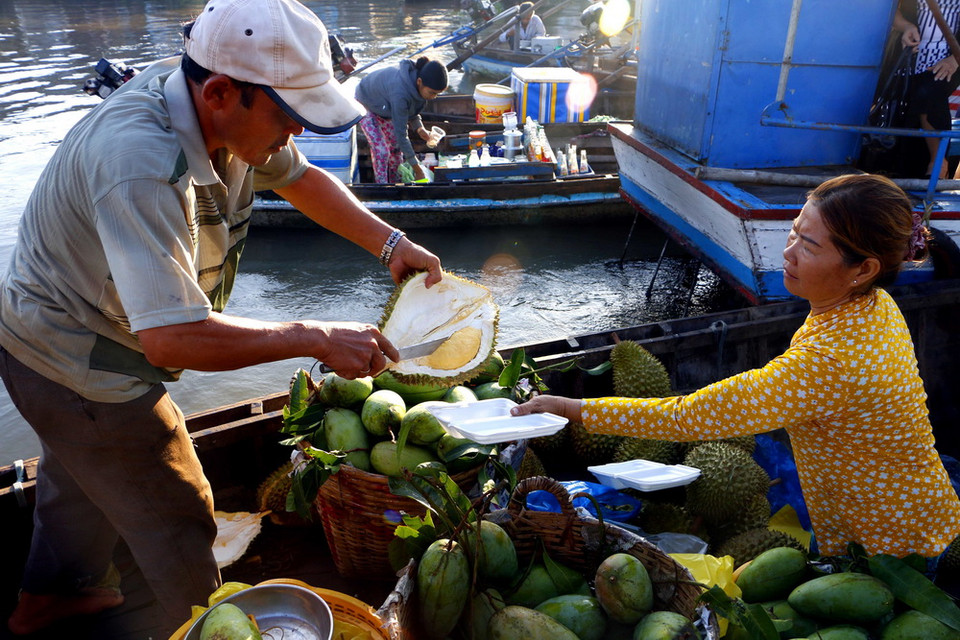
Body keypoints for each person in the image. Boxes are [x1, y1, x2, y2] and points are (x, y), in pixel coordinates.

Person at [0, 0, 442, 636]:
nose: (294, 134)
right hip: (75, 355)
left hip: (58, 336)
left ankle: (49, 600)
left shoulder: (227, 111)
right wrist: (314, 336)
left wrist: (391, 245)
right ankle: (204, 624)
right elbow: (171, 337)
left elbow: (301, 178)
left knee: (78, 476)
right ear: (220, 92)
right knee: (179, 512)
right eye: (289, 118)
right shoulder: (140, 164)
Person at [513, 174, 960, 565]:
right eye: (793, 233)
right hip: (922, 515)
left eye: (808, 245)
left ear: (863, 268)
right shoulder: (874, 305)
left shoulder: (830, 362)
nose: (788, 252)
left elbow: (687, 417)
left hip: (893, 552)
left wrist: (573, 407)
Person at [893, 1, 960, 178]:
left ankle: (938, 162)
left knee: (928, 94)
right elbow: (892, 12)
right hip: (909, 57)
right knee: (906, 112)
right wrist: (906, 26)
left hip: (948, 60)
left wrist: (955, 59)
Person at [354, 57, 448, 183]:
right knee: (382, 151)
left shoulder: (417, 85)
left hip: (386, 104)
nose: (434, 97)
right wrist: (417, 169)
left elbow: (411, 111)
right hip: (366, 102)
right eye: (432, 93)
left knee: (397, 148)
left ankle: (396, 182)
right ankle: (382, 187)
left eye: (437, 94)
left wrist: (420, 129)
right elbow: (402, 135)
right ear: (419, 82)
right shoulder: (400, 93)